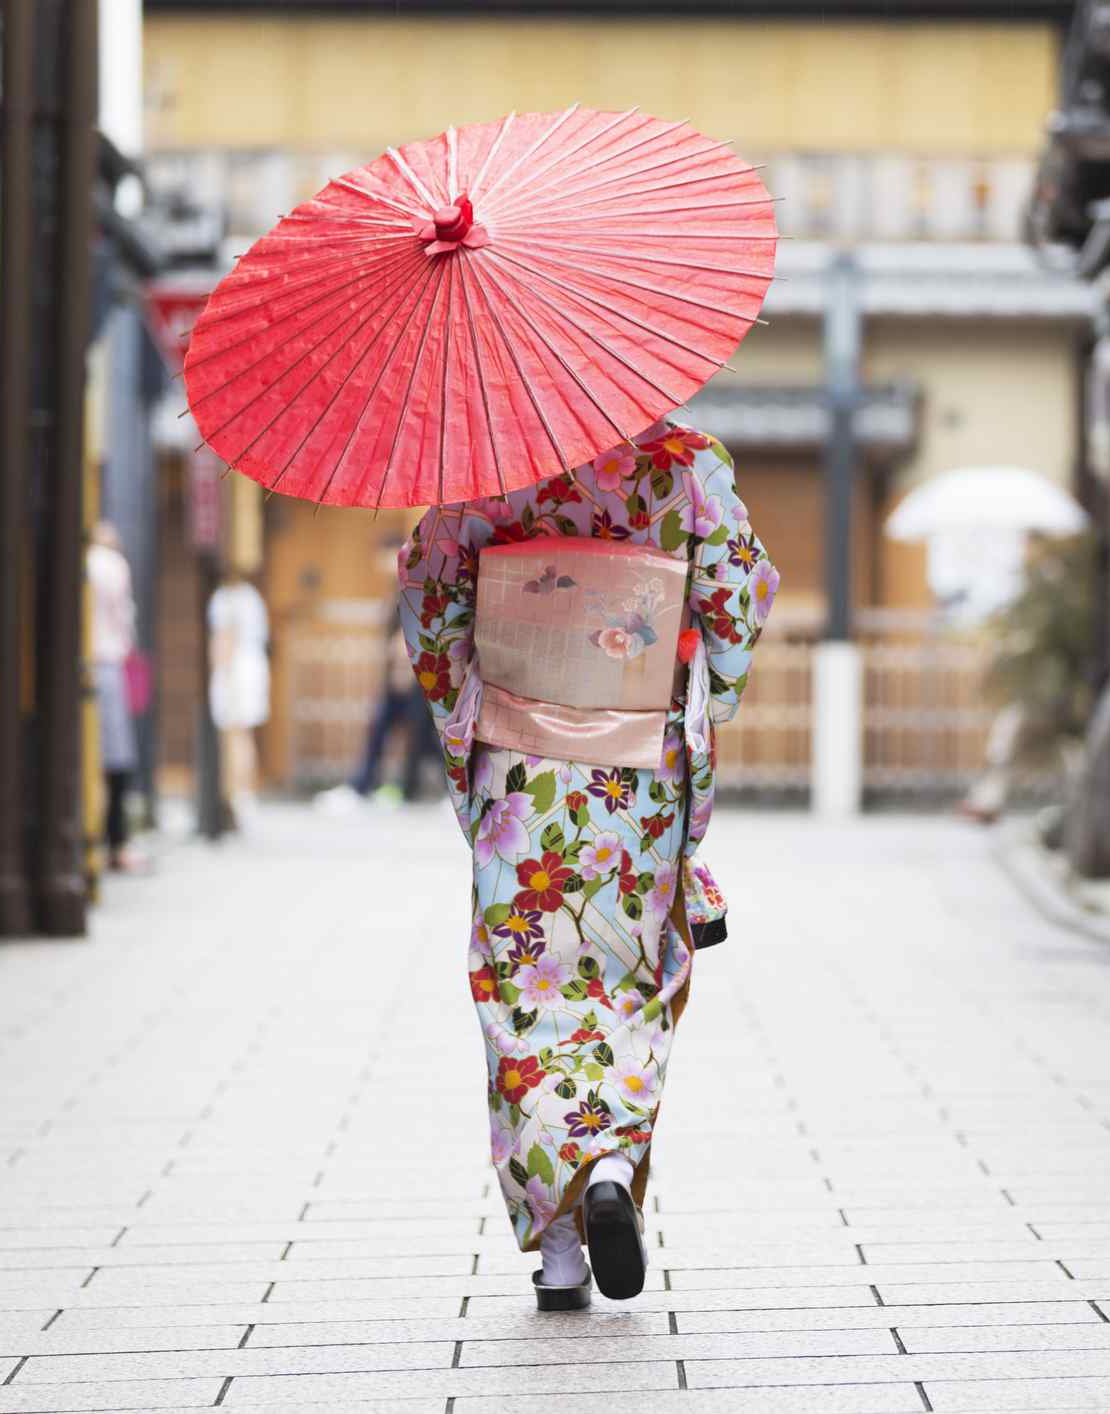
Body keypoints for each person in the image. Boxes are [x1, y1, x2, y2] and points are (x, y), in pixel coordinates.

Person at [399, 416, 776, 1310]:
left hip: (521, 772)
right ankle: (609, 1158)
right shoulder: (685, 462)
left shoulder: (479, 462)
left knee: (524, 989)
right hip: (638, 769)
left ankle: (561, 1251)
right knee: (624, 974)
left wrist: (474, 708)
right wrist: (697, 699)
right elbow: (738, 596)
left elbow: (427, 604)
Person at [320, 536, 431, 811]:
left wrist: (403, 668)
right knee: (403, 731)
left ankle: (383, 787)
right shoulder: (398, 586)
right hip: (405, 674)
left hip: (409, 673)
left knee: (417, 733)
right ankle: (386, 787)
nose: (380, 563)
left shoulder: (409, 586)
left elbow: (407, 632)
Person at [86, 521, 146, 873]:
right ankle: (116, 842)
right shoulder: (111, 565)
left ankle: (97, 840)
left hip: (79, 664)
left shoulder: (86, 562)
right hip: (108, 664)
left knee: (92, 759)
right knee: (115, 759)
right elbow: (125, 619)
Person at [207, 566, 271, 827]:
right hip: (253, 664)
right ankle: (245, 793)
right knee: (243, 735)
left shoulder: (226, 598)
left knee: (234, 735)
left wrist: (219, 672)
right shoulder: (251, 595)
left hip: (235, 668)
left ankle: (237, 794)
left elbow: (225, 639)